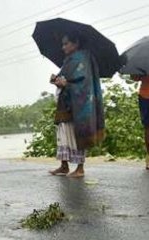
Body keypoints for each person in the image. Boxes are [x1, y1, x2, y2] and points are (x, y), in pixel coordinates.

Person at [49, 32, 106, 178]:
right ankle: (64, 165)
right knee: (63, 132)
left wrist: (66, 83)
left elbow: (84, 83)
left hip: (79, 103)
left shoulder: (83, 58)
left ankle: (80, 168)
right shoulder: (69, 60)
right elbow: (66, 78)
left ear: (76, 43)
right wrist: (56, 79)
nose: (63, 47)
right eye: (63, 44)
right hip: (65, 101)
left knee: (77, 133)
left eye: (66, 43)